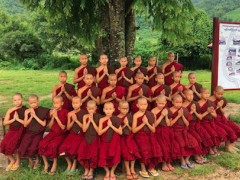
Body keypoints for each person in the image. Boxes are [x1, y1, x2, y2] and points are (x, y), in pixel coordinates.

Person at [170, 95, 202, 169]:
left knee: (194, 142)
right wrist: (178, 116)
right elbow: (170, 124)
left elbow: (187, 123)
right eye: (176, 102)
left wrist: (182, 116)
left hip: (183, 130)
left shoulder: (184, 110)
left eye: (180, 102)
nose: (178, 104)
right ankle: (182, 161)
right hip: (175, 131)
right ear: (172, 102)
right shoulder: (170, 110)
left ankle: (187, 159)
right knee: (181, 144)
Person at [132, 97, 162, 178]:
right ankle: (143, 169)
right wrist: (143, 123)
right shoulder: (136, 115)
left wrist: (147, 123)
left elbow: (153, 129)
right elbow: (134, 130)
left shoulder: (151, 114)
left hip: (150, 135)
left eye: (145, 104)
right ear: (137, 105)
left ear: (147, 105)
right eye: (141, 104)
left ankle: (151, 167)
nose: (143, 106)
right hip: (140, 136)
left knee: (152, 148)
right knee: (143, 149)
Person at [38, 96, 68, 175]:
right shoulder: (52, 112)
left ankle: (54, 163)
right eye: (54, 103)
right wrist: (52, 117)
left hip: (61, 134)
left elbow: (63, 127)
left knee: (53, 145)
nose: (55, 105)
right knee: (41, 144)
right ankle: (46, 164)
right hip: (52, 133)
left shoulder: (65, 112)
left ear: (62, 103)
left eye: (57, 103)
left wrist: (57, 117)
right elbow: (49, 126)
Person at [18, 95, 50, 170]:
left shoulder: (43, 110)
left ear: (38, 101)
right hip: (29, 132)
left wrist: (35, 116)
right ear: (29, 103)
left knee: (33, 147)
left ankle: (37, 161)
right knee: (23, 146)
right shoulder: (27, 111)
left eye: (35, 102)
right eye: (31, 103)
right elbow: (25, 124)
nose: (33, 104)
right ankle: (31, 161)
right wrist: (31, 117)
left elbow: (43, 124)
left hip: (38, 132)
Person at [58, 96, 87, 174]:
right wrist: (72, 121)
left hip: (80, 134)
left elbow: (84, 127)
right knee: (62, 148)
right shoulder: (70, 113)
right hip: (72, 134)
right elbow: (68, 127)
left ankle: (74, 165)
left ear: (81, 103)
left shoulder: (84, 113)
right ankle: (69, 164)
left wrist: (76, 120)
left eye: (77, 103)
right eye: (73, 103)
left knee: (74, 148)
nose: (75, 105)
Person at [182, 90, 211, 163]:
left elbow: (200, 117)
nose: (191, 96)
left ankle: (199, 154)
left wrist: (194, 111)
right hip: (188, 126)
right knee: (195, 138)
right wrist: (191, 111)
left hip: (196, 124)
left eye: (192, 95)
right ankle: (196, 156)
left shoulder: (195, 104)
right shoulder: (182, 106)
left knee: (201, 137)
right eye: (189, 95)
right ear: (184, 96)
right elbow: (183, 119)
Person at [0, 93, 27, 171]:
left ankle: (18, 160)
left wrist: (18, 119)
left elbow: (26, 123)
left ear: (22, 99)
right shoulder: (10, 110)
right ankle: (12, 160)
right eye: (15, 100)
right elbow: (5, 122)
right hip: (12, 130)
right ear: (13, 101)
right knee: (3, 145)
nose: (17, 102)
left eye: (19, 99)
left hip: (21, 130)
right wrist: (14, 119)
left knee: (15, 144)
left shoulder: (25, 110)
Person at [209, 86, 240, 153]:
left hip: (221, 118)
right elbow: (210, 112)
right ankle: (227, 147)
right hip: (213, 119)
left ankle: (230, 145)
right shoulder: (209, 100)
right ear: (214, 92)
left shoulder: (221, 100)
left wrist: (220, 107)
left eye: (221, 94)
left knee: (235, 127)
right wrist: (217, 106)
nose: (220, 96)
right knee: (228, 130)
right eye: (219, 94)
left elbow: (223, 112)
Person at [198, 88, 227, 156]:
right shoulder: (198, 104)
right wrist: (207, 112)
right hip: (202, 123)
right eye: (205, 93)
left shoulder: (210, 103)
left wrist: (211, 112)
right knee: (211, 134)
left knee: (220, 132)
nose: (207, 95)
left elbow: (215, 115)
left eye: (208, 93)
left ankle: (214, 147)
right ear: (201, 94)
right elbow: (199, 117)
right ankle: (210, 149)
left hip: (211, 122)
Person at [78, 100, 103, 180]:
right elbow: (84, 129)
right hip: (86, 136)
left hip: (95, 137)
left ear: (96, 108)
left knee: (93, 153)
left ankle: (91, 170)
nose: (91, 110)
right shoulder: (85, 116)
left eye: (93, 109)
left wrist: (92, 121)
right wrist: (89, 120)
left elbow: (99, 131)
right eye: (89, 109)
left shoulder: (99, 116)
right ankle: (86, 169)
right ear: (87, 108)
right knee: (83, 151)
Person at [98, 102, 122, 180]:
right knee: (103, 156)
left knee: (116, 156)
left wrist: (111, 126)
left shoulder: (117, 119)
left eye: (110, 109)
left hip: (114, 142)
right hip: (105, 141)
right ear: (104, 110)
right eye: (106, 109)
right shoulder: (101, 120)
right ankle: (107, 172)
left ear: (113, 110)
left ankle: (112, 171)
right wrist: (107, 127)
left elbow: (120, 132)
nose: (108, 111)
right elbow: (99, 132)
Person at [151, 95, 176, 171]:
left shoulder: (167, 110)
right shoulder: (153, 111)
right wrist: (161, 116)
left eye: (163, 103)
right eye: (159, 103)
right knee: (163, 147)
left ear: (165, 103)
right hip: (158, 131)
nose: (161, 105)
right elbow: (154, 125)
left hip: (167, 131)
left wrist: (165, 116)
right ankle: (164, 163)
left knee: (168, 146)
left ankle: (168, 162)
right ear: (156, 102)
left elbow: (169, 124)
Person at [117, 101, 141, 179]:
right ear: (119, 108)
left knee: (133, 151)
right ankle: (128, 170)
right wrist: (124, 125)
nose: (125, 110)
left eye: (127, 108)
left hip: (130, 137)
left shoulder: (130, 116)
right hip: (122, 138)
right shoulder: (117, 117)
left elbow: (132, 129)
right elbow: (118, 132)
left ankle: (132, 169)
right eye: (123, 109)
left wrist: (127, 124)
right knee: (126, 153)